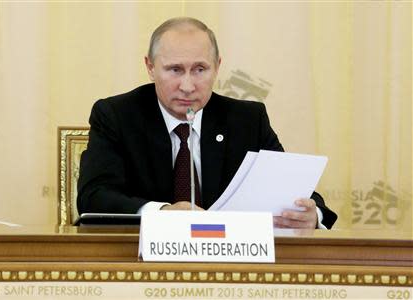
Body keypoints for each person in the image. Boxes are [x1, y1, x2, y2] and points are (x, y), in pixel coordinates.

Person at [77, 17, 337, 229]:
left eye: (200, 69)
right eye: (175, 69)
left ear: (217, 66)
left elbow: (295, 193)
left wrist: (314, 216)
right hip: (140, 261)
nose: (188, 86)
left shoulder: (247, 119)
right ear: (150, 67)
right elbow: (94, 197)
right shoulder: (116, 115)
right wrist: (163, 212)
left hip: (230, 263)